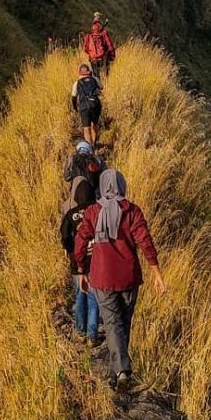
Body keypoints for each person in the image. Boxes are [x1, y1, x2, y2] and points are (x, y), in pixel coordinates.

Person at [75, 168, 164, 390]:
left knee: (114, 324)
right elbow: (145, 241)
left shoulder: (93, 212)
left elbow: (80, 242)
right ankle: (121, 371)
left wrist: (81, 269)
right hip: (129, 276)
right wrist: (157, 273)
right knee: (123, 323)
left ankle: (120, 371)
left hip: (102, 277)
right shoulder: (132, 211)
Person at [60, 176, 100, 345]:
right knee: (94, 298)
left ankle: (80, 332)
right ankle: (92, 335)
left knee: (79, 296)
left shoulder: (71, 214)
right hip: (96, 262)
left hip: (78, 263)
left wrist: (70, 251)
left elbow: (64, 236)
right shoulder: (98, 212)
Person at [71, 63, 102, 146]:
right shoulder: (94, 79)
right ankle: (94, 143)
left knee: (86, 127)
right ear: (88, 71)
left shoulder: (77, 83)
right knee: (95, 124)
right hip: (95, 104)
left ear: (79, 72)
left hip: (84, 106)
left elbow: (74, 97)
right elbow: (101, 87)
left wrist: (75, 108)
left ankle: (89, 146)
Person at [82, 13, 116, 80]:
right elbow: (110, 45)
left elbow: (85, 48)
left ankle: (97, 89)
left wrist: (91, 54)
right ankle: (104, 89)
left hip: (93, 59)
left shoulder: (89, 34)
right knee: (105, 77)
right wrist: (112, 56)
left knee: (96, 78)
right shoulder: (103, 33)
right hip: (103, 58)